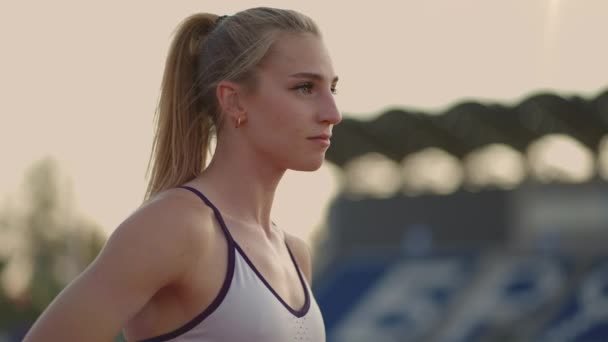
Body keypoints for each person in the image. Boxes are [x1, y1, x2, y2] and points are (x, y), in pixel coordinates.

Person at [23, 7, 341, 342]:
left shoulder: (294, 254)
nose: (332, 113)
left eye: (332, 88)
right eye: (305, 87)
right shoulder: (177, 227)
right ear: (233, 101)